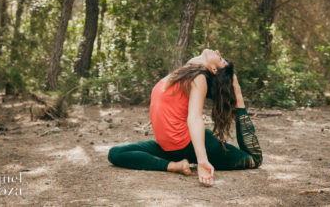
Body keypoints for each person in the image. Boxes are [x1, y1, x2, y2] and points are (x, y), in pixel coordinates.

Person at [107, 49, 262, 186]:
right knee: (115, 153)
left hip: (188, 144)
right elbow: (199, 60)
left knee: (254, 160)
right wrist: (209, 60)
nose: (217, 52)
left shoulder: (199, 79)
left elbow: (194, 118)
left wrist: (202, 161)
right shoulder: (188, 70)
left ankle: (239, 99)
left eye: (221, 59)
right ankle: (174, 166)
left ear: (214, 69)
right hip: (171, 148)